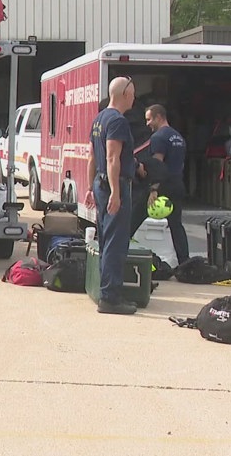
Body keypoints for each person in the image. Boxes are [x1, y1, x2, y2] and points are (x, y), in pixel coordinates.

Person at [84, 77, 138, 315]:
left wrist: (89, 187)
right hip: (113, 186)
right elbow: (112, 158)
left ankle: (106, 290)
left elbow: (91, 157)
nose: (134, 97)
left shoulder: (99, 119)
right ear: (124, 94)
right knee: (116, 242)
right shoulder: (117, 120)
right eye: (133, 93)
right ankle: (110, 298)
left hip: (100, 183)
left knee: (107, 239)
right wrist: (116, 192)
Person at [129, 104, 190, 263]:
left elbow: (157, 165)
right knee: (176, 226)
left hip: (162, 186)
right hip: (177, 185)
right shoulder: (178, 137)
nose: (147, 123)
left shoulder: (158, 137)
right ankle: (185, 262)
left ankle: (118, 254)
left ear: (159, 117)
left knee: (133, 219)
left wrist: (153, 189)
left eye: (149, 119)